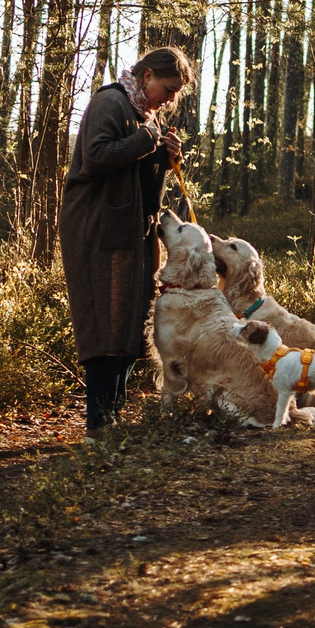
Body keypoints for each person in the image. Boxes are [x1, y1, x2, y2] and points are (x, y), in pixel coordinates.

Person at [57, 46, 191, 432]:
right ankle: (99, 422)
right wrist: (147, 140)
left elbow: (142, 187)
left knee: (132, 324)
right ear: (146, 75)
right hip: (98, 230)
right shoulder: (111, 102)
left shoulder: (144, 115)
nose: (170, 99)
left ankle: (112, 418)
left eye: (175, 93)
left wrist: (164, 159)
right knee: (105, 324)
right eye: (167, 89)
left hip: (135, 231)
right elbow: (95, 157)